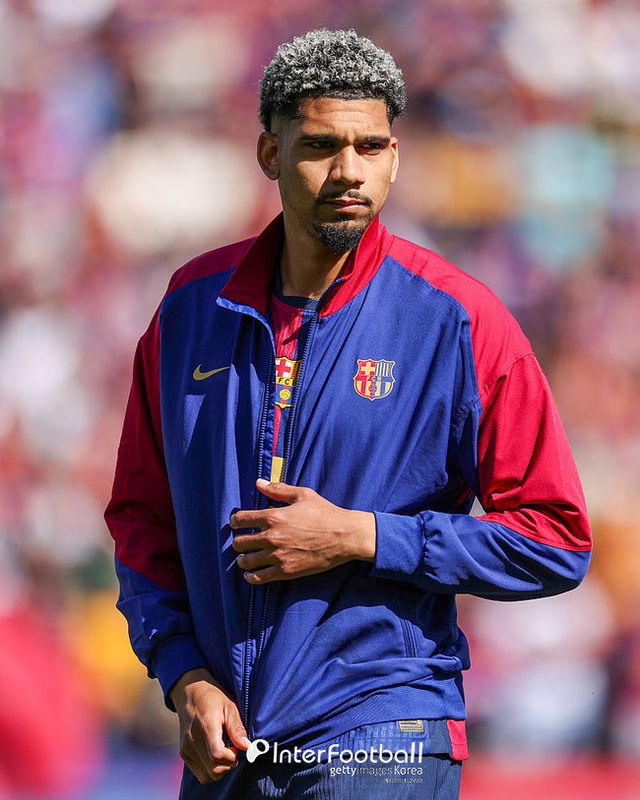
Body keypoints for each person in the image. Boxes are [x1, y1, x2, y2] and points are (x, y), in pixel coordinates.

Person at [105, 28, 592, 800]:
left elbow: (554, 539)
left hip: (384, 729)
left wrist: (362, 536)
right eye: (321, 146)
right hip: (227, 745)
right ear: (270, 154)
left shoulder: (458, 319)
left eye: (370, 147)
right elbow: (142, 523)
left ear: (395, 156)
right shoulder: (190, 309)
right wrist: (184, 674)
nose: (348, 172)